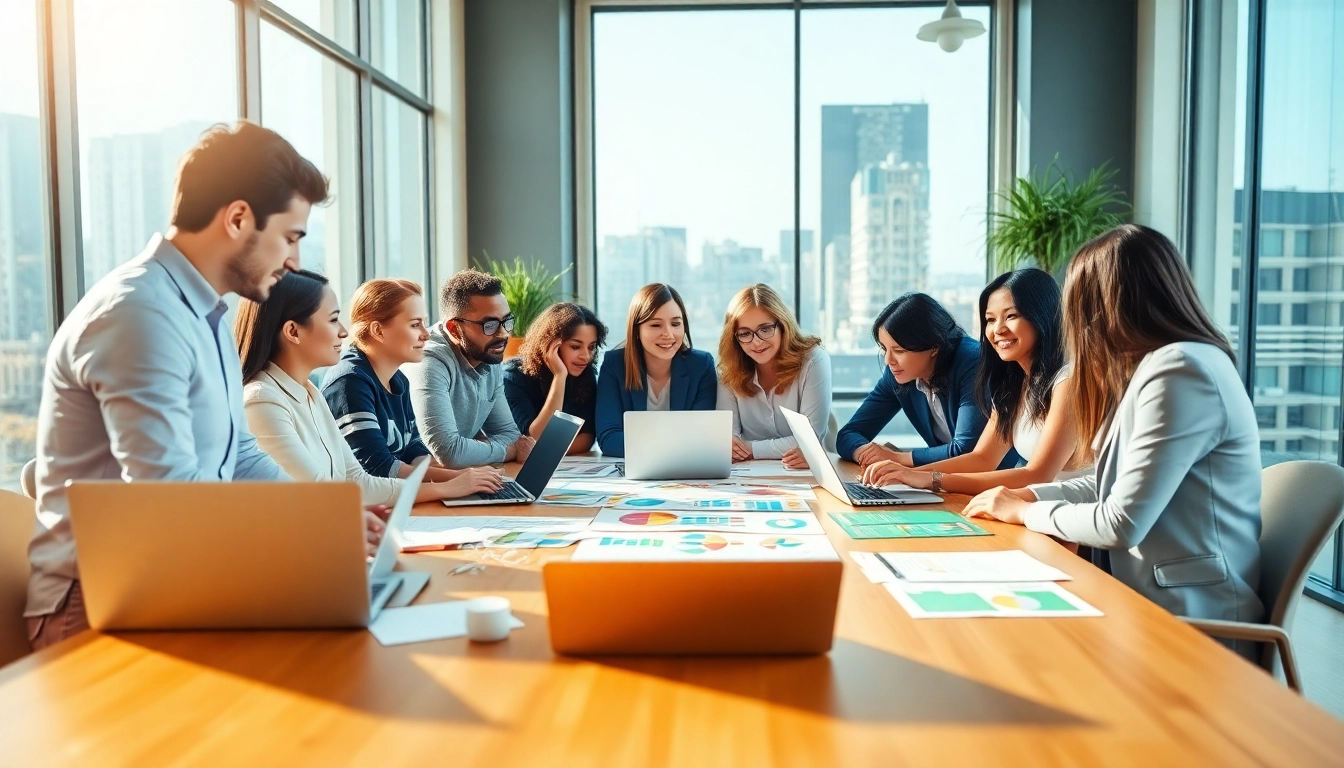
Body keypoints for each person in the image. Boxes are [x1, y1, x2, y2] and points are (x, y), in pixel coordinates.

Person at [24, 122, 383, 651]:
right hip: (97, 604)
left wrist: (317, 522)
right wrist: (307, 536)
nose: (295, 261)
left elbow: (238, 455)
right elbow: (170, 498)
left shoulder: (205, 312)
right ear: (238, 218)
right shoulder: (140, 314)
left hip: (167, 578)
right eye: (290, 237)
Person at [963, 225, 1263, 634]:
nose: (1076, 325)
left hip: (1186, 614)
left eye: (1080, 307)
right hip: (1137, 594)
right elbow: (1106, 485)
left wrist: (1025, 510)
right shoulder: (1153, 368)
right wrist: (1026, 495)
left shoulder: (1181, 371)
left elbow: (1121, 522)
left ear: (1110, 305)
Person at [236, 270, 503, 504]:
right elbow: (322, 495)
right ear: (293, 332)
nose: (343, 331)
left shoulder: (309, 392)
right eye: (332, 320)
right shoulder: (263, 400)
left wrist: (454, 484)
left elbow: (357, 481)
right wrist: (448, 487)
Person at [862, 269, 1084, 493]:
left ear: (1041, 316)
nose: (998, 329)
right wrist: (908, 476)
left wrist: (926, 478)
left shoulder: (1068, 381)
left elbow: (1038, 474)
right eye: (990, 319)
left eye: (1011, 316)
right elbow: (982, 459)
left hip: (1073, 512)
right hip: (1037, 507)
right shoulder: (1014, 384)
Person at [323, 278, 502, 488]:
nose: (426, 335)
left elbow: (413, 451)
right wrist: (454, 482)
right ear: (378, 331)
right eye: (415, 324)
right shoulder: (349, 383)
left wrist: (470, 474)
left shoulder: (399, 380)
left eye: (425, 323)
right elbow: (378, 468)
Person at [835, 293, 1013, 470]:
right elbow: (848, 434)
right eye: (884, 349)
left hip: (1002, 481)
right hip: (943, 482)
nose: (888, 360)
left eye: (899, 350)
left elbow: (967, 449)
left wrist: (897, 458)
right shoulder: (897, 375)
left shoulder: (974, 361)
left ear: (934, 346)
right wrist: (866, 454)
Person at [403, 269, 535, 468]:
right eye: (489, 325)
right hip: (416, 486)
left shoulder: (489, 353)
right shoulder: (428, 361)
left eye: (507, 321)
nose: (503, 334)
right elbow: (450, 453)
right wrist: (510, 450)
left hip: (459, 479)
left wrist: (480, 449)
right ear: (455, 329)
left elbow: (509, 433)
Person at [715, 284, 831, 469]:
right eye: (745, 334)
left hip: (803, 474)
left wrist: (750, 449)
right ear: (735, 338)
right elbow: (729, 443)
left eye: (765, 329)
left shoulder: (813, 360)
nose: (757, 341)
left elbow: (811, 439)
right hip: (745, 476)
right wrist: (740, 448)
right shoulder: (727, 373)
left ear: (782, 325)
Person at [595, 283, 716, 456]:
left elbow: (701, 434)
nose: (668, 334)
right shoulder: (614, 365)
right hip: (638, 472)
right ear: (636, 330)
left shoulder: (702, 365)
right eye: (655, 325)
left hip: (684, 470)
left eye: (675, 324)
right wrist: (673, 447)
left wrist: (648, 445)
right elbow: (609, 438)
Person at [503, 302, 608, 454]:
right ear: (551, 344)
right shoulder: (513, 376)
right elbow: (537, 437)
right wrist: (560, 377)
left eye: (591, 347)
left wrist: (548, 448)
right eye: (575, 347)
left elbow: (587, 437)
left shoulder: (585, 374)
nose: (586, 356)